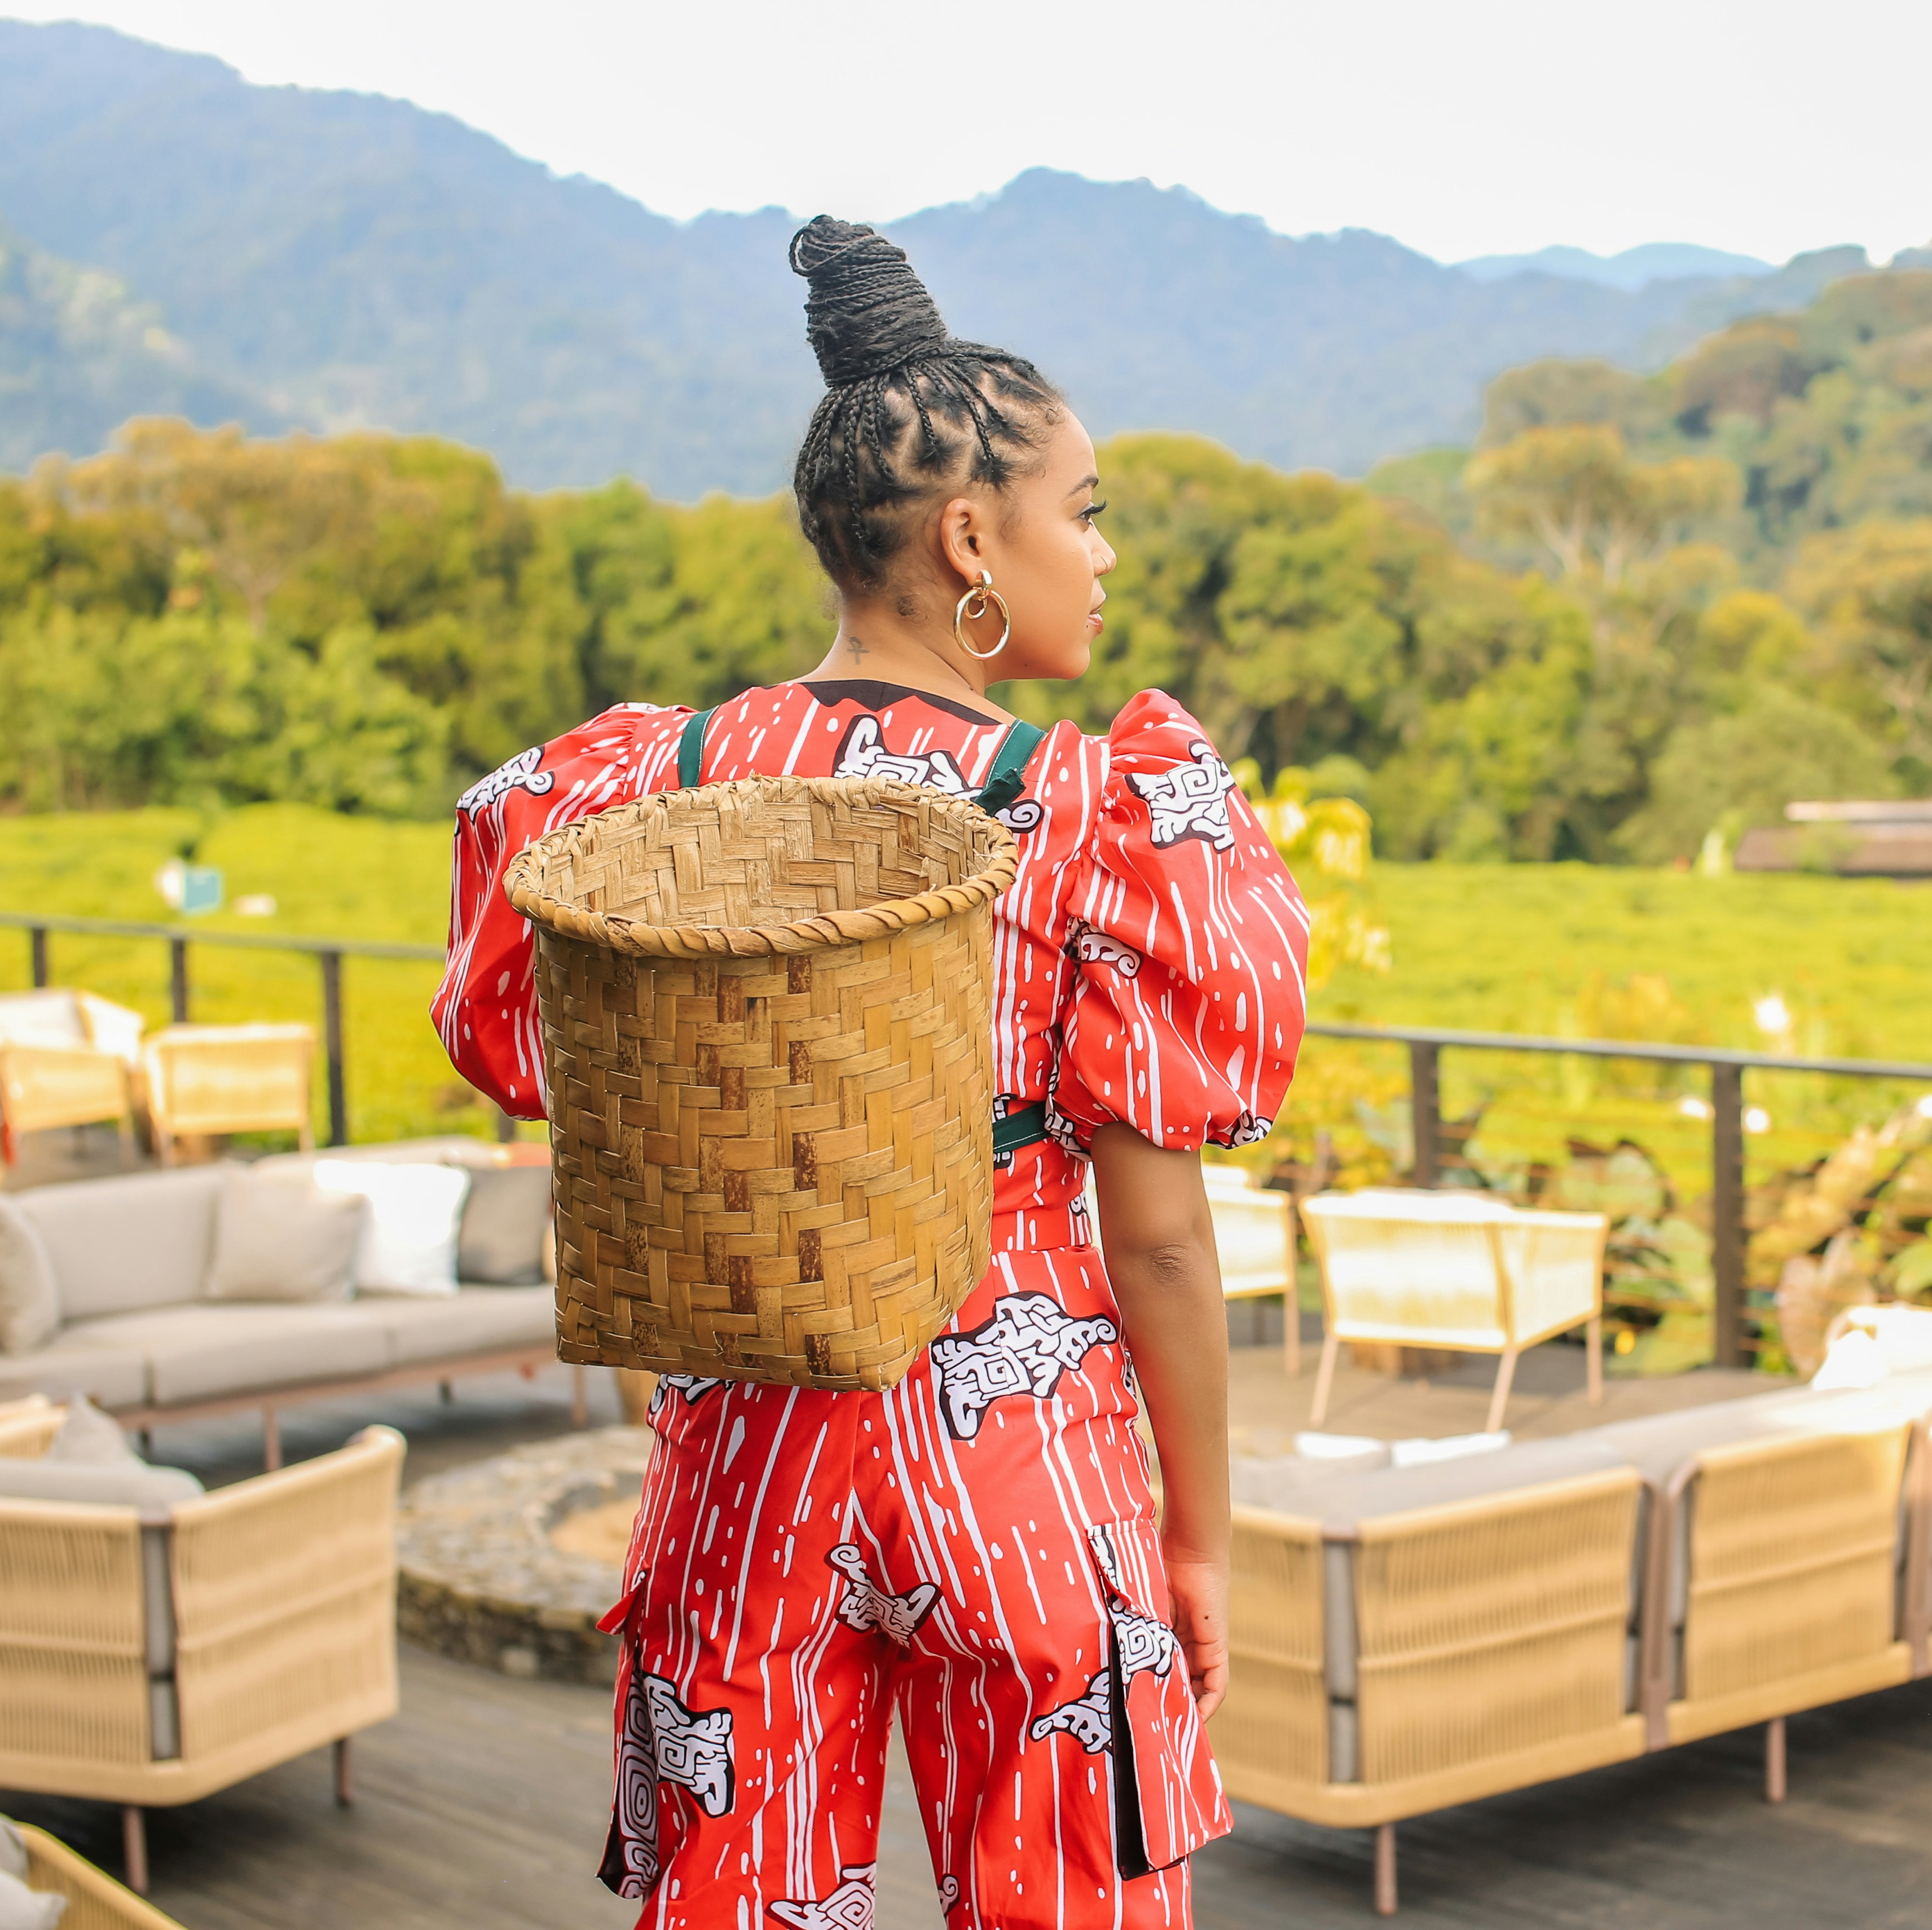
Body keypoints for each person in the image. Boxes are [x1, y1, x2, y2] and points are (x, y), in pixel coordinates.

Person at [434, 215, 1308, 1930]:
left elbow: (563, 1088)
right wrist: (1198, 1536)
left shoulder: (641, 787)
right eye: (1088, 508)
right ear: (973, 536)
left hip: (741, 1469)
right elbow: (1161, 1248)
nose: (1104, 554)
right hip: (1026, 1464)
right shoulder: (1089, 810)